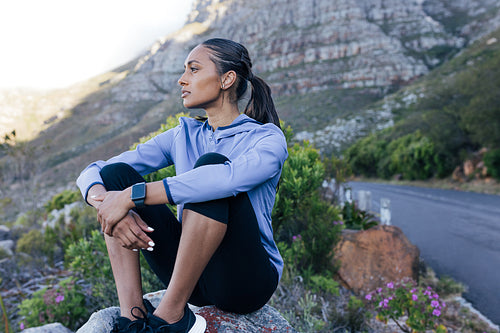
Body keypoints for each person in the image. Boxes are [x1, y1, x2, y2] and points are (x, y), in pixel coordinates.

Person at [76, 38, 288, 333]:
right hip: (191, 276)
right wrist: (106, 201)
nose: (182, 79)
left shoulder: (267, 139)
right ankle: (132, 318)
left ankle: (171, 318)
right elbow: (95, 171)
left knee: (210, 171)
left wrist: (133, 196)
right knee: (116, 176)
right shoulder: (182, 135)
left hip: (244, 282)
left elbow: (227, 179)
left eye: (194, 69)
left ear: (226, 79)